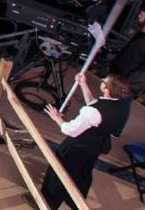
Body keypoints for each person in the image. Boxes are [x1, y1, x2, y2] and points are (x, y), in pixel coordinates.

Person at [40, 73, 128, 209]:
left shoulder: (92, 112)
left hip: (77, 146)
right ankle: (75, 201)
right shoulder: (122, 104)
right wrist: (83, 84)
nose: (102, 80)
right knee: (82, 173)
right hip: (97, 145)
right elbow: (95, 105)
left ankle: (48, 204)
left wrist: (57, 117)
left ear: (106, 90)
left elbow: (70, 130)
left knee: (58, 175)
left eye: (104, 81)